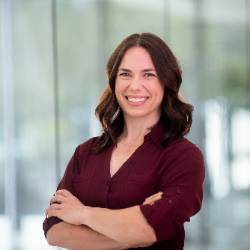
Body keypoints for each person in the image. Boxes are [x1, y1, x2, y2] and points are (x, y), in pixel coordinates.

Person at [43, 32, 205, 250]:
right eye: (125, 74)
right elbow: (54, 230)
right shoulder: (86, 152)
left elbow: (150, 229)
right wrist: (130, 231)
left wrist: (82, 214)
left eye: (148, 75)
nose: (135, 86)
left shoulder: (183, 157)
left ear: (167, 81)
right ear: (114, 81)